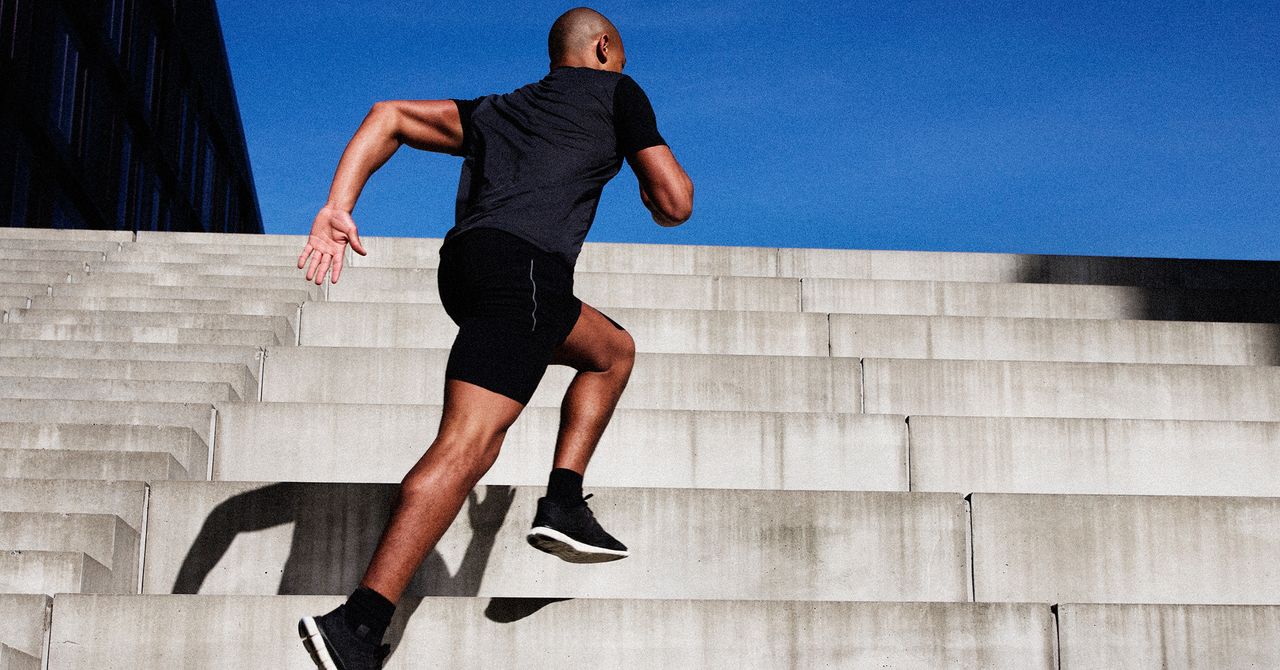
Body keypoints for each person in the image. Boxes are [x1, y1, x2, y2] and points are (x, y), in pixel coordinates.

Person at [294, 7, 693, 669]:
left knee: (611, 351)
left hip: (468, 271)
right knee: (469, 443)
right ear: (603, 48)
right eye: (619, 54)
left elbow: (388, 115)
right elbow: (675, 203)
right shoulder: (616, 91)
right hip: (526, 272)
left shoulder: (499, 110)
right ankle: (356, 625)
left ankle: (563, 502)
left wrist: (338, 206)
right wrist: (656, 185)